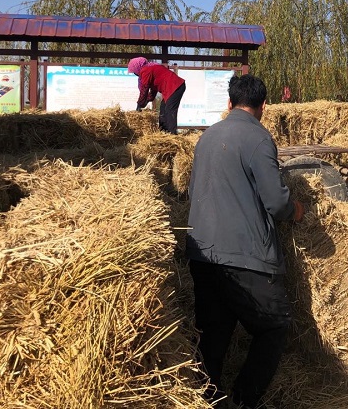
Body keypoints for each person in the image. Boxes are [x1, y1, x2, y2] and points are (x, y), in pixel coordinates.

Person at [186, 74, 304, 409]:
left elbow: (194, 190)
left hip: (202, 251)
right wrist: (296, 210)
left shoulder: (207, 136)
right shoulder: (258, 138)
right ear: (264, 105)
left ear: (229, 102)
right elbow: (276, 203)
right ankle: (244, 398)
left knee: (214, 330)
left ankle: (208, 399)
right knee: (273, 326)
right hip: (244, 255)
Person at [127, 57, 186, 134]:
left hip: (175, 86)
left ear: (137, 67)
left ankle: (172, 134)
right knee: (163, 108)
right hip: (172, 87)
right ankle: (163, 132)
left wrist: (140, 104)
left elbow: (144, 88)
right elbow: (153, 90)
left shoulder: (146, 70)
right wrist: (147, 100)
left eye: (134, 72)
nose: (135, 74)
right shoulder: (151, 68)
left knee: (169, 109)